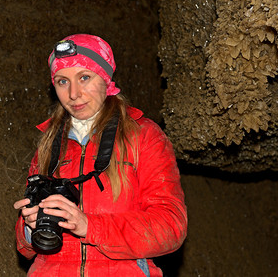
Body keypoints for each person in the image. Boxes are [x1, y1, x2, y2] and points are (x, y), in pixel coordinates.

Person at [13, 34, 187, 277]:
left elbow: (170, 227)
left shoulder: (144, 136)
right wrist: (29, 227)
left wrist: (89, 226)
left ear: (106, 79)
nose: (74, 94)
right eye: (63, 82)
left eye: (84, 78)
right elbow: (26, 248)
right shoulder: (50, 143)